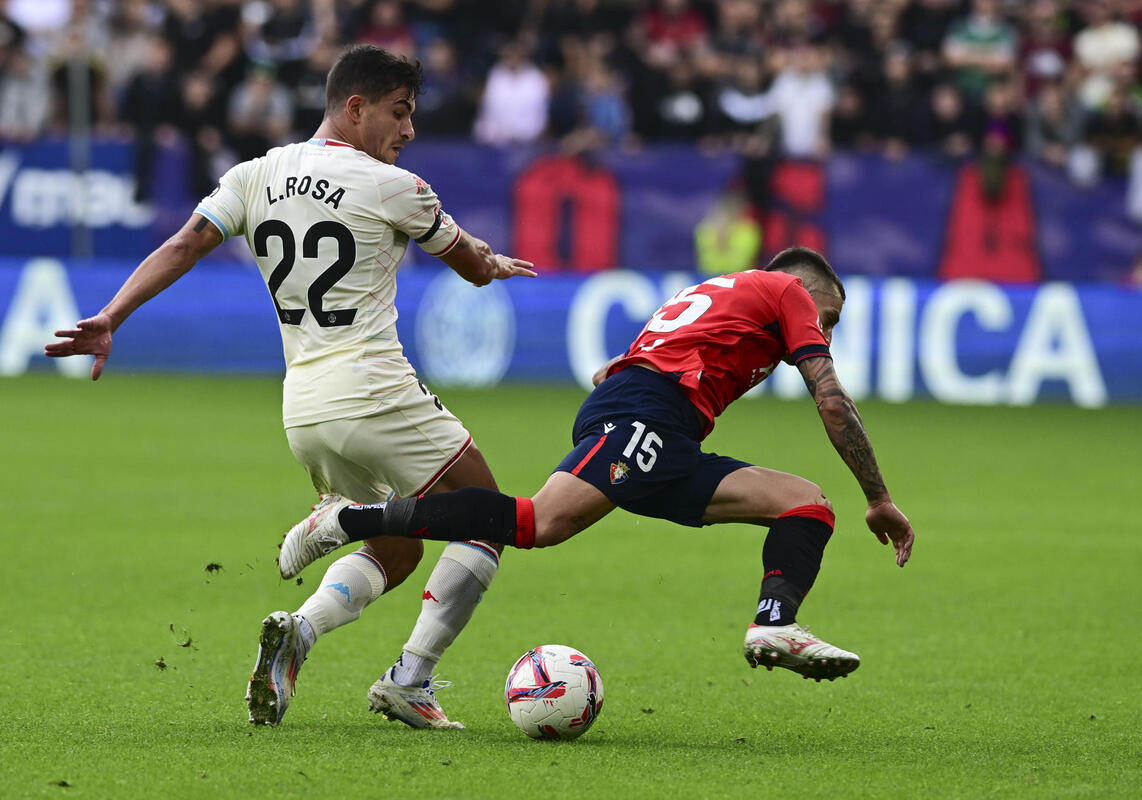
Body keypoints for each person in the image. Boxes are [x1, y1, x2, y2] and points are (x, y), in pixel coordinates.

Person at [44, 44, 536, 728]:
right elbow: (472, 267)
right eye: (399, 113)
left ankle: (297, 634)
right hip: (371, 387)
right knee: (489, 519)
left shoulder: (255, 173)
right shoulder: (395, 185)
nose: (409, 130)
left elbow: (185, 242)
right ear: (355, 107)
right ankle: (411, 680)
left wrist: (110, 317)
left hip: (303, 408)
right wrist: (494, 261)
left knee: (397, 548)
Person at [280, 247, 914, 681]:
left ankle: (775, 623)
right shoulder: (783, 289)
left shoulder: (718, 292)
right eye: (825, 317)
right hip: (651, 416)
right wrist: (879, 494)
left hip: (657, 423)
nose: (821, 331)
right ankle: (350, 520)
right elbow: (831, 397)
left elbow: (615, 368)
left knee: (804, 503)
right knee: (535, 523)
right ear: (805, 291)